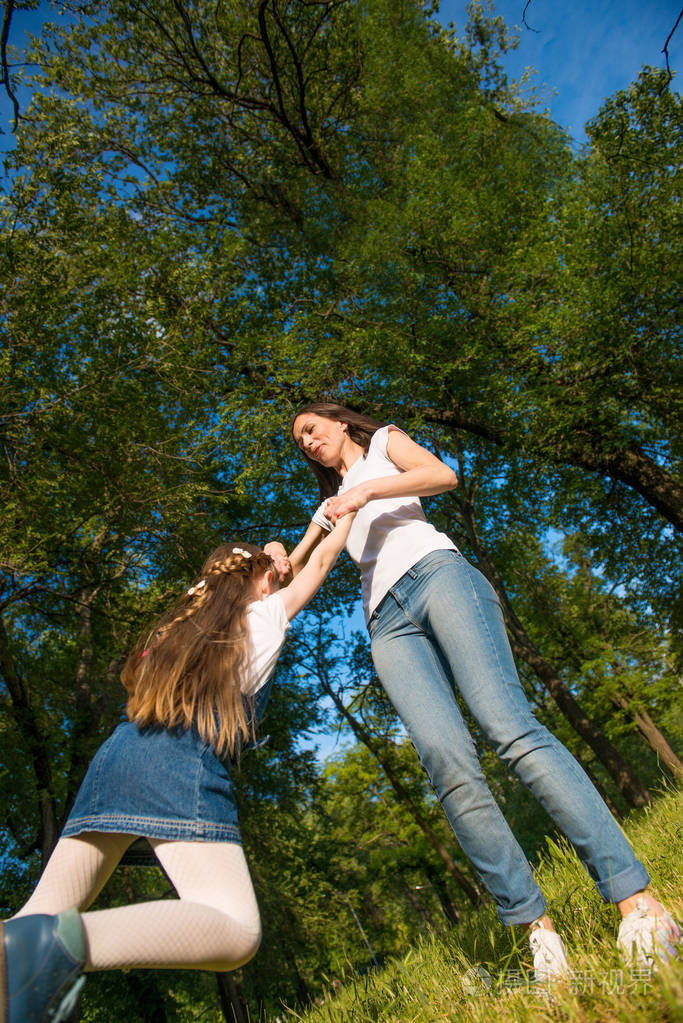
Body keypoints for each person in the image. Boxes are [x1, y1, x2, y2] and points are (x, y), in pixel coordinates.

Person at [265, 401, 680, 983]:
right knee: (446, 764)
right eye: (299, 440)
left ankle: (638, 904)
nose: (306, 441)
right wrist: (280, 556)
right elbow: (302, 561)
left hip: (437, 573)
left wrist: (367, 493)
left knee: (508, 727)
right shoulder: (328, 502)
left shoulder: (383, 443)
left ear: (338, 424)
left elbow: (441, 475)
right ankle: (540, 938)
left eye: (311, 428)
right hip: (386, 621)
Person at [1, 517, 354, 1023]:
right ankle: (55, 948)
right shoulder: (263, 620)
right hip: (180, 761)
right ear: (260, 581)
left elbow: (286, 567)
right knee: (235, 930)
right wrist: (352, 510)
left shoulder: (179, 627)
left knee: (34, 916)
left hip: (119, 757)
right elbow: (314, 566)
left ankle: (27, 945)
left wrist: (292, 541)